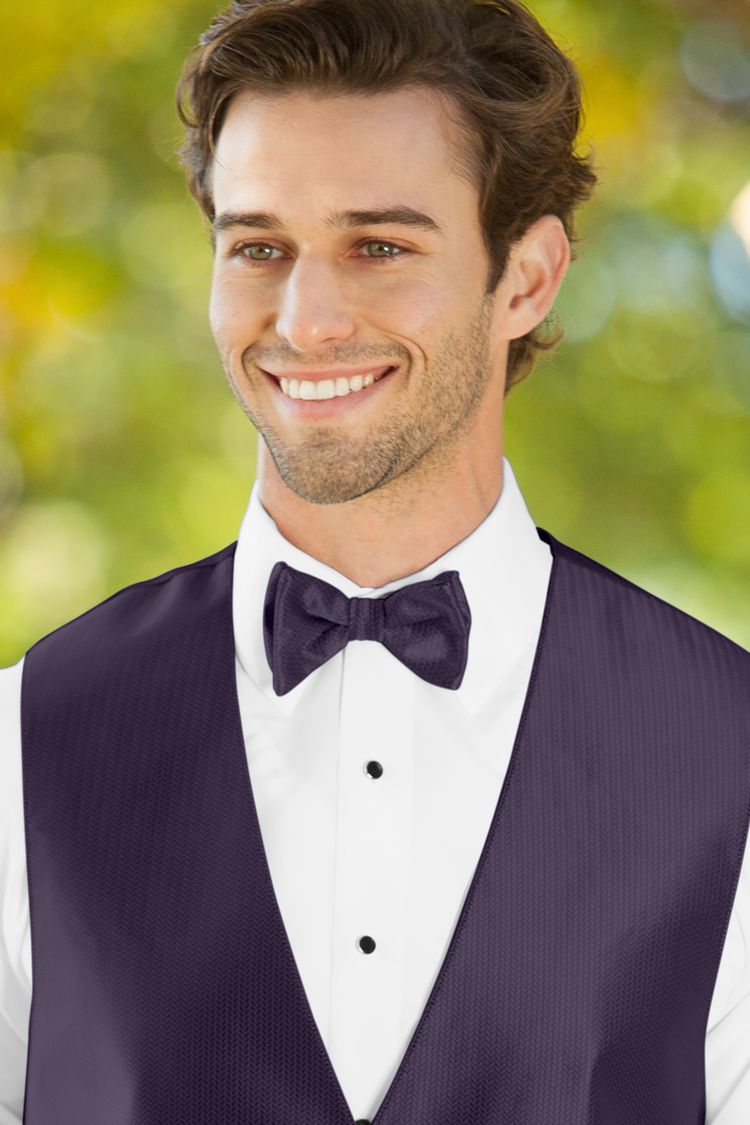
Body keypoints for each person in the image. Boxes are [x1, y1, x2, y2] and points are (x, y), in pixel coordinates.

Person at [1, 0, 748, 1120]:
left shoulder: (728, 748)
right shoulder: (23, 741)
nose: (304, 321)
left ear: (529, 279)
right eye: (259, 247)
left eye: (379, 245)